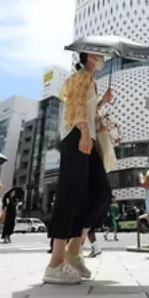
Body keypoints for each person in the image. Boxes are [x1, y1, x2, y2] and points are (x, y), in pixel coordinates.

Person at [44, 52, 113, 285]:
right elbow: (75, 103)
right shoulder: (81, 77)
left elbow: (88, 109)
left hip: (87, 138)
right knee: (70, 194)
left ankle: (73, 251)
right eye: (99, 56)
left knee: (100, 193)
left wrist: (102, 102)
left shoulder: (90, 81)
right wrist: (83, 130)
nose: (102, 60)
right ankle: (55, 263)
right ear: (91, 57)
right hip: (77, 136)